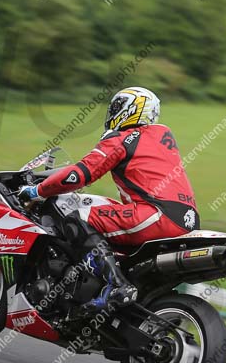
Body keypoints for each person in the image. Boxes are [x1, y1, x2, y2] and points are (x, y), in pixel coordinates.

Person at [19, 87, 199, 313]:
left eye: (116, 107)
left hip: (155, 215)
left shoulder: (122, 138)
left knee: (73, 213)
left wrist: (38, 191)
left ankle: (116, 284)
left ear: (132, 109)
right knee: (97, 205)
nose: (112, 113)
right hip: (186, 220)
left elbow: (79, 175)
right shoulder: (162, 135)